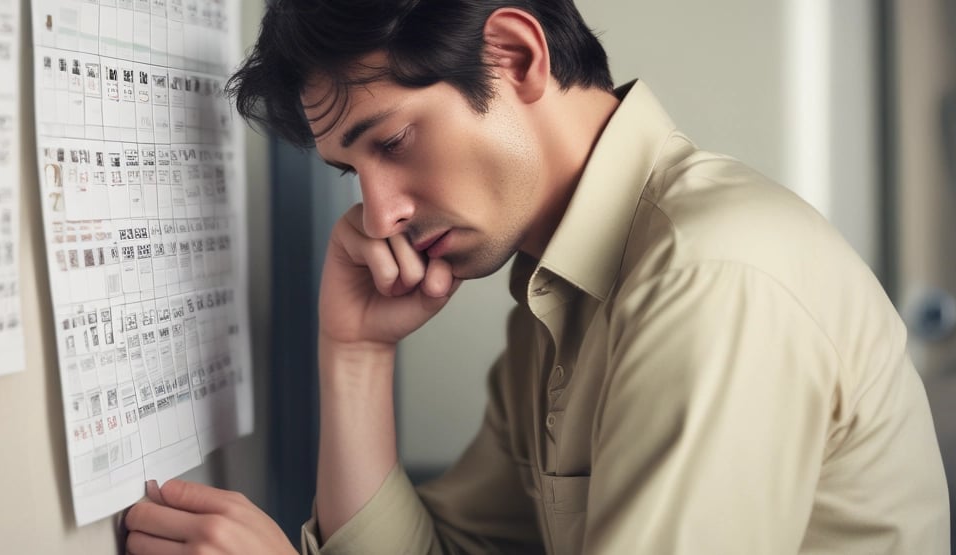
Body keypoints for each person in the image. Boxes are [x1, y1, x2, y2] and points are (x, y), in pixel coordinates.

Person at [123, 0, 951, 553]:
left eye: (394, 142)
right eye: (351, 172)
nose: (378, 216)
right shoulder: (561, 296)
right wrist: (355, 355)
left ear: (517, 56)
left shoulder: (707, 277)